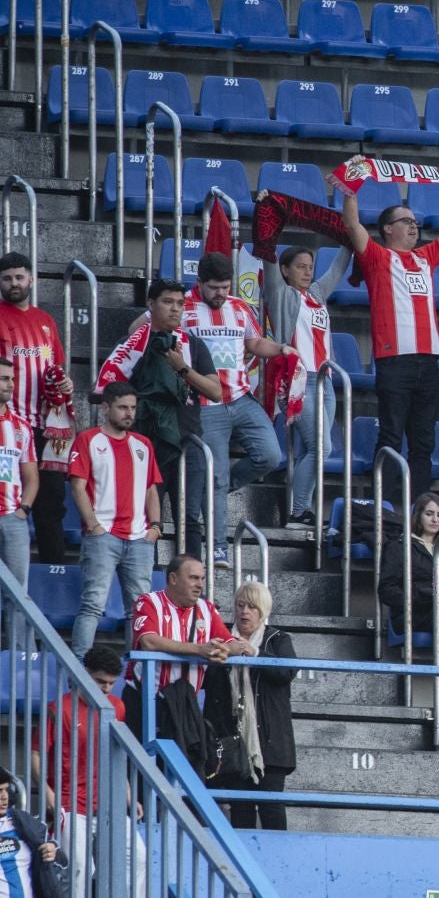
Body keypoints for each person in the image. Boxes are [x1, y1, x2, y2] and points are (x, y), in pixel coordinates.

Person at [332, 174, 439, 500]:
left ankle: (419, 509)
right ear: (387, 229)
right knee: (391, 437)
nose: (414, 227)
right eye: (406, 221)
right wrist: (350, 189)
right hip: (394, 361)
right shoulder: (377, 257)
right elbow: (352, 225)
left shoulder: (426, 257)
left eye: (415, 222)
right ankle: (384, 507)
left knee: (424, 442)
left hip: (429, 363)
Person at [166, 252, 286, 563]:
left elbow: (254, 343)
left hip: (241, 397)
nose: (220, 293)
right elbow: (144, 327)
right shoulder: (182, 307)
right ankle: (218, 546)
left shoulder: (239, 307)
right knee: (216, 475)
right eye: (214, 288)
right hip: (205, 403)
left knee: (271, 455)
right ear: (199, 283)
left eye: (225, 287)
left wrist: (282, 349)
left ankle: (213, 492)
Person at [95, 278, 219, 551]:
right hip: (146, 443)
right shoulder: (132, 345)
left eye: (180, 304)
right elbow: (106, 391)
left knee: (190, 518)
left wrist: (182, 367)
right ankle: (145, 575)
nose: (175, 309)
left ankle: (192, 576)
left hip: (188, 441)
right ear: (151, 304)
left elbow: (216, 392)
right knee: (146, 517)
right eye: (167, 302)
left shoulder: (192, 345)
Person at [66, 381, 163, 656]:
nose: (129, 413)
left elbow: (151, 489)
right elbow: (77, 487)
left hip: (140, 538)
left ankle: (138, 669)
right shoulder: (88, 440)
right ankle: (79, 665)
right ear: (106, 407)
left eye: (132, 407)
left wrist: (156, 527)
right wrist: (94, 525)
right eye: (122, 407)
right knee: (92, 605)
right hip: (103, 536)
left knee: (139, 610)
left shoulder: (143, 444)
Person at [259, 243, 350, 527]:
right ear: (285, 270)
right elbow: (268, 260)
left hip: (325, 382)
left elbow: (337, 268)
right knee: (321, 448)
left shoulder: (317, 294)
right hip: (297, 380)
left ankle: (300, 511)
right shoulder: (280, 293)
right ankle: (299, 512)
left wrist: (349, 237)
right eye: (300, 267)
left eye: (310, 267)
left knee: (312, 450)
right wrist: (268, 229)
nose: (308, 272)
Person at [203, 581, 297, 830]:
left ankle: (276, 854)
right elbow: (209, 685)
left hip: (270, 742)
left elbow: (287, 672)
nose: (245, 611)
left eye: (252, 607)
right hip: (233, 742)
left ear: (263, 611)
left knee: (271, 807)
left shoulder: (278, 639)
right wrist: (225, 652)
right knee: (240, 808)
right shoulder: (222, 639)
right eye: (240, 605)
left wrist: (255, 654)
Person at [0, 252, 73, 564]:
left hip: (47, 427)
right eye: (7, 278)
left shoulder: (46, 321)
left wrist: (65, 385)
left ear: (31, 279)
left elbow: (55, 367)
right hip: (8, 426)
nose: (14, 283)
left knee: (51, 502)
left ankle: (53, 570)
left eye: (19, 277)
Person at [34, 647, 125, 871]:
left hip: (107, 803)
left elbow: (116, 753)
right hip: (69, 804)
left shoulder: (117, 706)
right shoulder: (60, 709)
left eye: (112, 683)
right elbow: (36, 753)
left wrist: (127, 790)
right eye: (101, 681)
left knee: (139, 859)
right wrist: (48, 793)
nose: (106, 689)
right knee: (81, 869)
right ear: (84, 673)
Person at [132, 553, 251, 697]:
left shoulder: (207, 608)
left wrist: (222, 650)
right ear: (173, 579)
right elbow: (149, 642)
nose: (200, 585)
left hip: (185, 701)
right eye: (194, 578)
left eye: (202, 579)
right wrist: (199, 649)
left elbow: (232, 644)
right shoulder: (149, 602)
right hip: (146, 697)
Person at [381, 492, 439, 668]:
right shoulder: (400, 546)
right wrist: (421, 596)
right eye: (429, 514)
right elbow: (386, 589)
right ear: (418, 516)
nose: (435, 520)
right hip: (414, 611)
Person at [0, 770, 60, 898]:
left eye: (6, 790)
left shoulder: (22, 822)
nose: (4, 797)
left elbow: (61, 860)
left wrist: (52, 850)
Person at [0, 360, 39, 586]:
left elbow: (31, 476)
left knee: (17, 594)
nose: (11, 384)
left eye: (12, 379)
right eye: (4, 379)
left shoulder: (22, 427)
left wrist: (24, 509)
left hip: (13, 518)